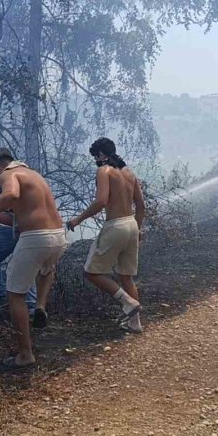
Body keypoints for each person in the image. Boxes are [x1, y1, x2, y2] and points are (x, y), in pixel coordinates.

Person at [0, 148, 67, 370]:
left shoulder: (7, 173)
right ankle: (40, 306)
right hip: (57, 236)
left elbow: (10, 195)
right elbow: (18, 212)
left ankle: (25, 354)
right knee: (45, 269)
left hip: (35, 238)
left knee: (15, 295)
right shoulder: (34, 175)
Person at [67, 138, 146, 333]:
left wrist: (78, 219)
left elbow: (101, 201)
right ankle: (135, 323)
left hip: (115, 225)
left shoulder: (104, 171)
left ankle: (127, 301)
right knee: (126, 276)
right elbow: (142, 206)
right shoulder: (129, 173)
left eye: (95, 156)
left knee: (91, 272)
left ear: (101, 155)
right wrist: (139, 229)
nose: (95, 159)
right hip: (131, 224)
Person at [0, 151, 38, 323]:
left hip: (6, 227)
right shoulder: (27, 175)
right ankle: (32, 306)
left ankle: (1, 296)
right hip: (26, 227)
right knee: (26, 264)